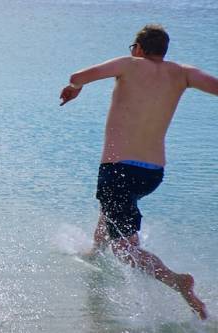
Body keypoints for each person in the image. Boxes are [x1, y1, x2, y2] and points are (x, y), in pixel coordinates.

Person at [60, 24, 215, 320]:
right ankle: (95, 250)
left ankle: (177, 281)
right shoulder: (183, 72)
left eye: (133, 48)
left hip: (119, 169)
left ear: (139, 48)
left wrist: (76, 88)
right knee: (112, 208)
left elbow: (76, 77)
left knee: (124, 249)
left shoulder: (129, 65)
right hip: (152, 174)